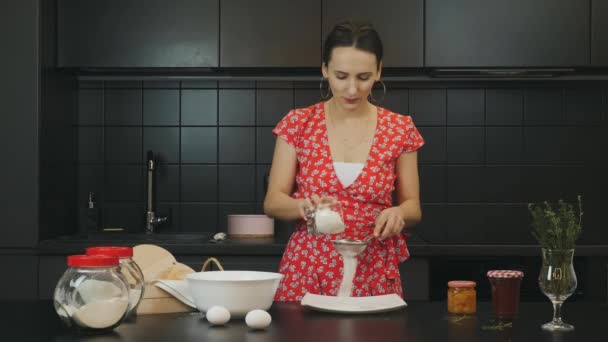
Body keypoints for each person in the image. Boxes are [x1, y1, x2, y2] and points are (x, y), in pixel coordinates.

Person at [263, 20, 425, 301]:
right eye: (341, 76)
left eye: (363, 77)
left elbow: (413, 207)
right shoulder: (298, 124)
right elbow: (273, 202)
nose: (352, 89)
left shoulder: (400, 129)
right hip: (308, 267)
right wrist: (304, 206)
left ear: (379, 71)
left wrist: (399, 213)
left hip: (373, 269)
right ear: (325, 70)